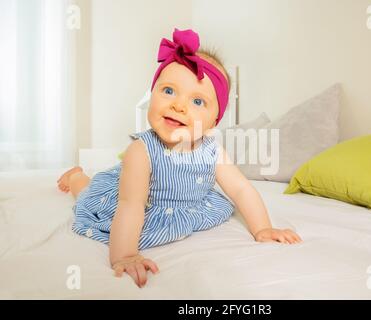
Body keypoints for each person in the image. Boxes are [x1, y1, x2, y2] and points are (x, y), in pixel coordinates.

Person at [57, 28, 302, 288]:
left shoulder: (213, 151)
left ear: (213, 122)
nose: (179, 105)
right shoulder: (141, 151)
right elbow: (130, 204)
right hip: (133, 198)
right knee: (89, 195)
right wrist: (125, 255)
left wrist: (262, 228)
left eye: (197, 102)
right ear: (153, 94)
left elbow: (241, 189)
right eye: (169, 91)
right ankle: (76, 177)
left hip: (187, 205)